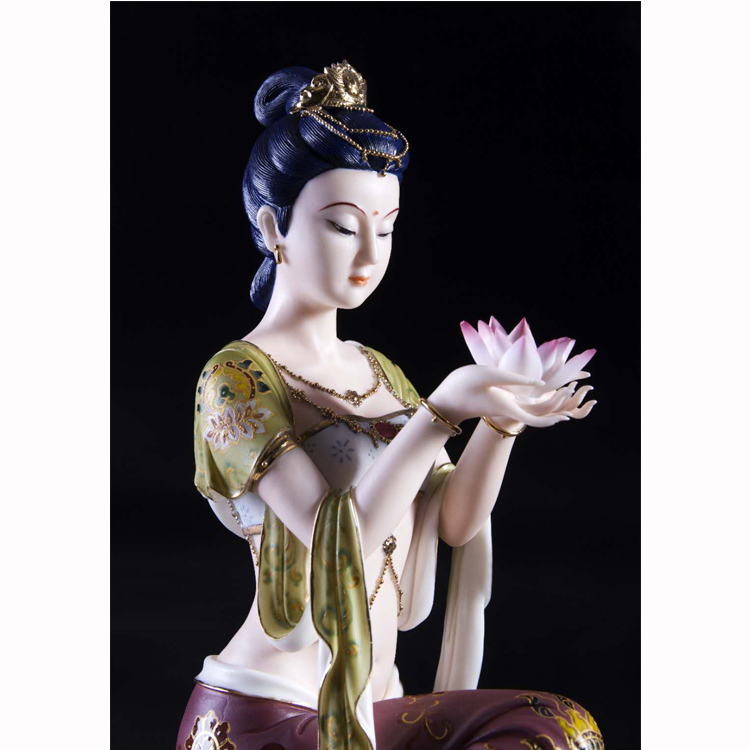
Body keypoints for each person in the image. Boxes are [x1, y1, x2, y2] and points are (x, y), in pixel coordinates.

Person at [177, 62, 603, 750]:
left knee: (555, 731)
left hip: (377, 704)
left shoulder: (377, 371)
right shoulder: (235, 379)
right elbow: (336, 542)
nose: (371, 255)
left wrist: (499, 420)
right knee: (549, 732)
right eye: (344, 227)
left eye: (388, 228)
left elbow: (453, 521)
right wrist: (440, 414)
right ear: (273, 226)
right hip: (264, 713)